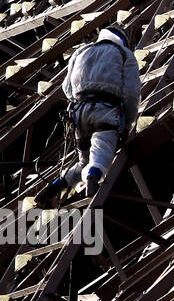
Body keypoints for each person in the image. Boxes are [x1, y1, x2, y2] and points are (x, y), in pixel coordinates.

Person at [36, 25, 140, 204]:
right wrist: (128, 123)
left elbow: (67, 88)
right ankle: (92, 182)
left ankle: (56, 184)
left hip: (78, 113)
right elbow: (131, 92)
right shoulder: (124, 54)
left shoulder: (81, 52)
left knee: (83, 162)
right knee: (102, 152)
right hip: (106, 111)